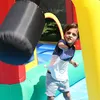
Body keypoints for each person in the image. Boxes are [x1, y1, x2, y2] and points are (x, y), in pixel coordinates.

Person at [45, 23, 79, 100]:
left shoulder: (73, 48)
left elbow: (68, 58)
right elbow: (60, 45)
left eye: (74, 34)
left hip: (63, 76)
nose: (70, 35)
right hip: (52, 75)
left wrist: (73, 62)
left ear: (77, 38)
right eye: (68, 33)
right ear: (65, 34)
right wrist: (65, 47)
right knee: (51, 97)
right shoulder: (62, 42)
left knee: (67, 95)